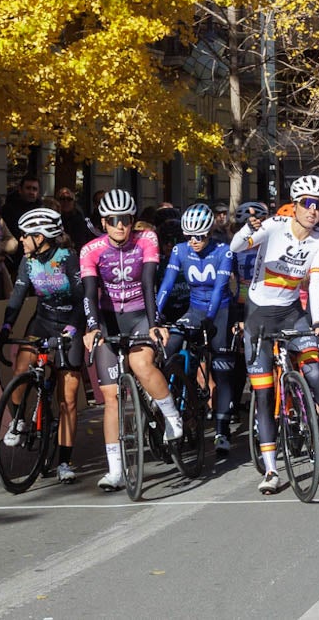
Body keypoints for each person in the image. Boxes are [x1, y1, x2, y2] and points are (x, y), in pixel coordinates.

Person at [229, 175, 319, 495]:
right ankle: (271, 470)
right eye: (307, 203)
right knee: (264, 394)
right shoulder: (273, 226)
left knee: (314, 371)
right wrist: (248, 230)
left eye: (318, 204)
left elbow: (316, 280)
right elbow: (235, 247)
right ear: (294, 205)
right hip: (258, 316)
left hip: (292, 313)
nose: (313, 210)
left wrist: (316, 320)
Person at [80, 188, 184, 491]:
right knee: (111, 396)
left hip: (140, 313)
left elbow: (149, 284)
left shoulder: (146, 239)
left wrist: (154, 324)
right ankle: (115, 470)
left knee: (140, 364)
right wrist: (92, 327)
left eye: (125, 219)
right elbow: (90, 293)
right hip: (109, 317)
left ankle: (171, 417)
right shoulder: (90, 250)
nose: (120, 225)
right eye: (113, 220)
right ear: (103, 222)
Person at [0, 206, 85, 483]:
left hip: (70, 323)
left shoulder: (68, 258)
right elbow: (18, 295)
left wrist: (72, 330)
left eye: (25, 235)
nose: (21, 240)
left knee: (68, 399)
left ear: (41, 236)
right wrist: (6, 327)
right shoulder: (28, 261)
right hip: (43, 322)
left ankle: (64, 462)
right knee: (21, 369)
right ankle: (19, 420)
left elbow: (82, 298)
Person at [157, 203, 237, 455]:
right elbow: (167, 285)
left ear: (209, 233)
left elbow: (220, 288)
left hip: (220, 311)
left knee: (221, 370)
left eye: (199, 236)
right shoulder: (180, 250)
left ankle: (222, 431)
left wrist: (210, 318)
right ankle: (176, 401)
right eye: (189, 236)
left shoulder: (223, 251)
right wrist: (155, 316)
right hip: (194, 310)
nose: (193, 241)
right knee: (168, 348)